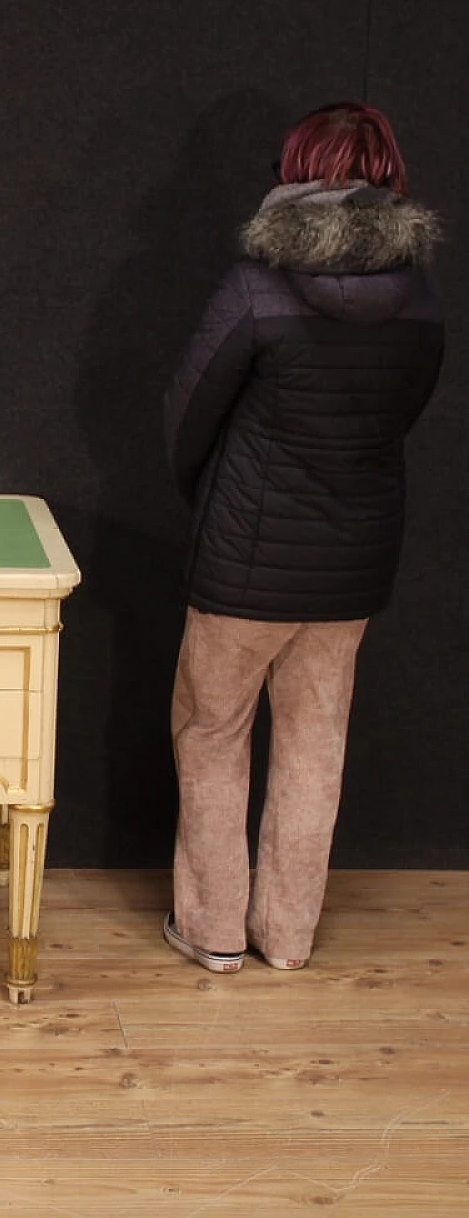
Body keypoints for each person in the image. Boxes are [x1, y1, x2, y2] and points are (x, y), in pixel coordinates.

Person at [161, 102, 445, 973]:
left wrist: (206, 493)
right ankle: (287, 937)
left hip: (244, 563)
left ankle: (211, 933)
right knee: (317, 739)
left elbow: (187, 415)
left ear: (300, 171)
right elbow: (400, 419)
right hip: (354, 564)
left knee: (212, 731)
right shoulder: (422, 301)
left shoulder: (256, 286)